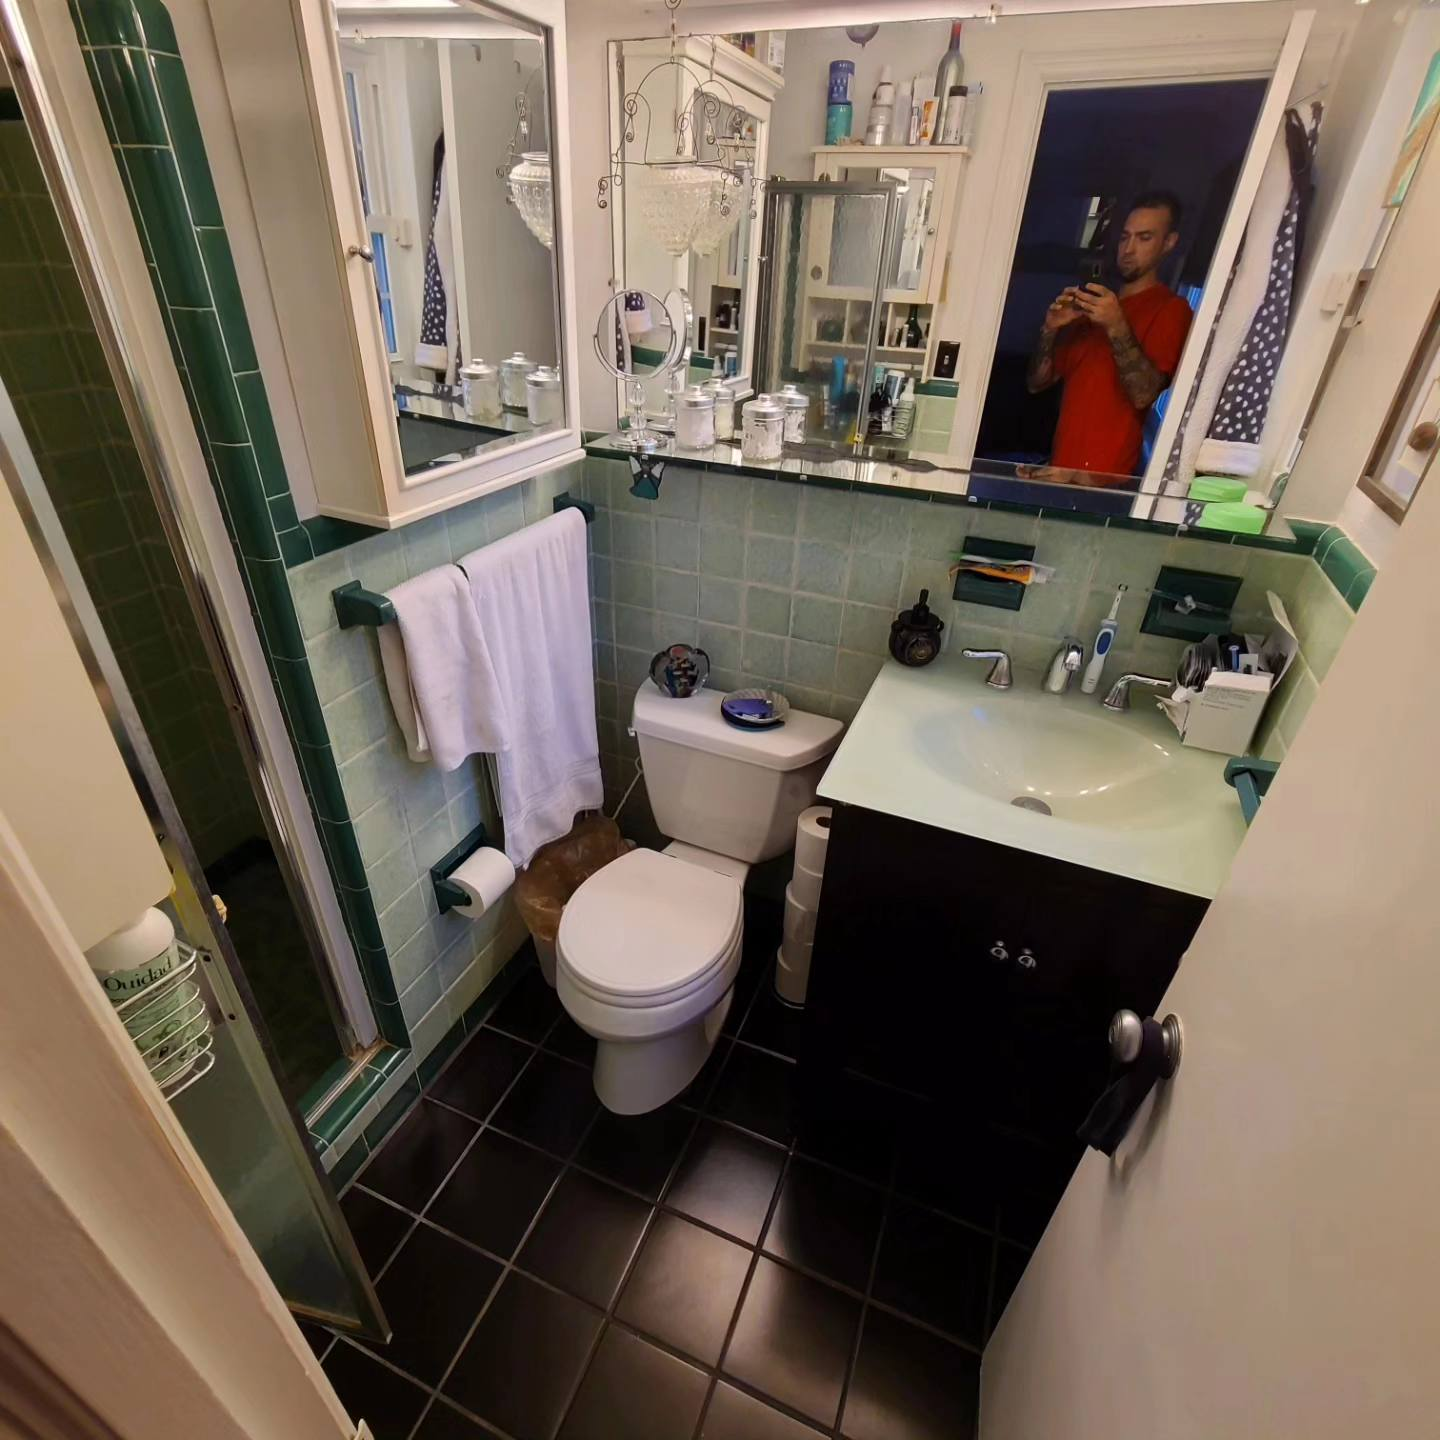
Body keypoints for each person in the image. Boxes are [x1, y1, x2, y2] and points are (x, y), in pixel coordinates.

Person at [1024, 191, 1194, 485]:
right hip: (1061, 470)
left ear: (1169, 243)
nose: (1128, 249)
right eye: (1125, 237)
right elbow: (1037, 383)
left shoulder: (1171, 309)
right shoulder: (1094, 307)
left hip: (1105, 482)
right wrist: (1050, 328)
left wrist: (1116, 325)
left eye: (1144, 238)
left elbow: (1144, 394)